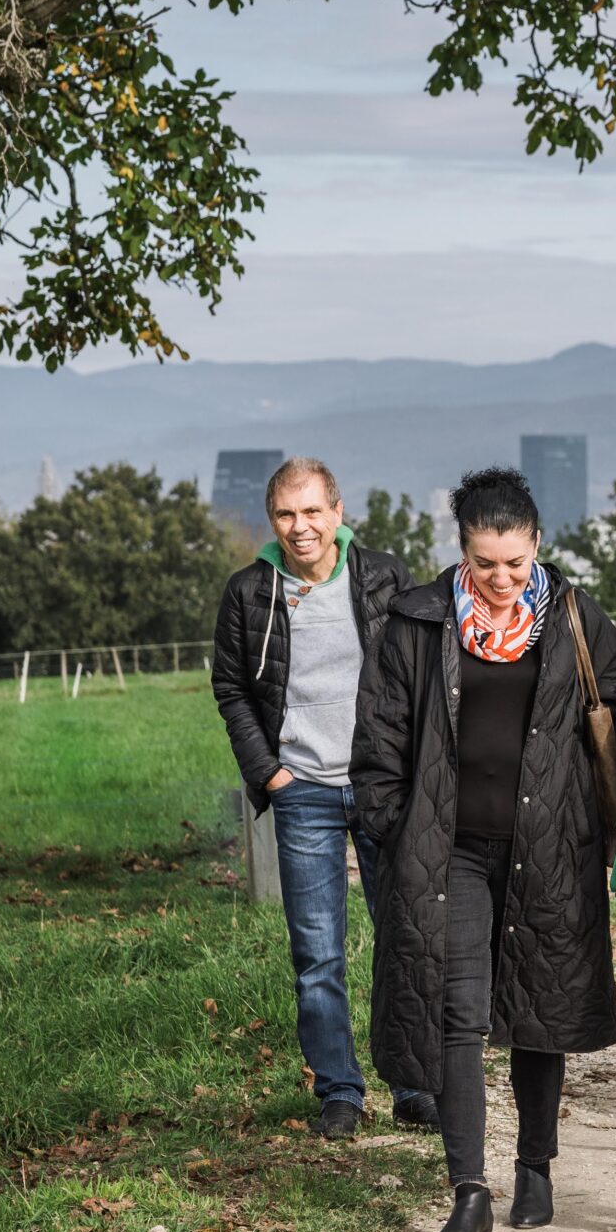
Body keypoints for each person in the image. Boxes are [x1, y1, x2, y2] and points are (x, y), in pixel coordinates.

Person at [350, 468, 616, 1232]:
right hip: (449, 850)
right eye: (485, 563)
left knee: (540, 1009)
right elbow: (377, 744)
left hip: (549, 847)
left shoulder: (576, 618)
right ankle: (469, 1187)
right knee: (456, 1011)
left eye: (514, 562)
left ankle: (536, 1167)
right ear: (461, 551)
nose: (502, 579)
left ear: (537, 544)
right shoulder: (415, 621)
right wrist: (394, 828)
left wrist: (596, 827)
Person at [211, 457, 413, 1140]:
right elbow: (232, 689)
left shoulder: (383, 576)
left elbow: (420, 674)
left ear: (338, 511)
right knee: (318, 954)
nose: (300, 527)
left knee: (403, 939)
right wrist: (270, 773)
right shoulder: (250, 592)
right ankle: (340, 1091)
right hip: (303, 791)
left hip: (382, 784)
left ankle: (414, 1082)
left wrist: (409, 765)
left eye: (311, 512)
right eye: (285, 515)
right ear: (273, 521)